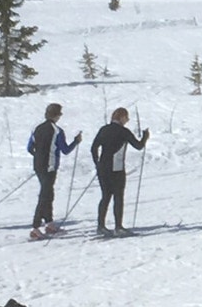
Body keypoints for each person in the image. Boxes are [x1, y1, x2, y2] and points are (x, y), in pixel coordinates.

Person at [90, 107, 149, 236]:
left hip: (103, 168)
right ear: (121, 118)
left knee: (105, 196)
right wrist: (145, 137)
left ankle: (101, 226)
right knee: (118, 196)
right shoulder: (123, 131)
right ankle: (118, 227)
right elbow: (138, 146)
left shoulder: (103, 129)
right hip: (116, 168)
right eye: (126, 117)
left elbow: (93, 147)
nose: (127, 120)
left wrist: (97, 163)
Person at [29, 102, 81, 240]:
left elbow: (30, 147)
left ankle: (49, 222)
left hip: (38, 165)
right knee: (45, 195)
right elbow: (65, 150)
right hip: (50, 166)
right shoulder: (57, 131)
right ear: (57, 115)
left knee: (48, 193)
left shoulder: (36, 128)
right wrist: (76, 141)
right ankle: (35, 227)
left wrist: (38, 156)